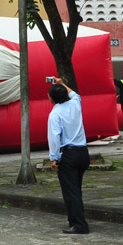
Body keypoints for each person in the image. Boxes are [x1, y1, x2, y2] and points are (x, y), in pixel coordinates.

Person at [47, 81, 90, 234]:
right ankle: (76, 220)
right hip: (82, 152)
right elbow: (75, 94)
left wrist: (54, 157)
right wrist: (62, 83)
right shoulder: (75, 105)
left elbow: (54, 138)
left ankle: (79, 224)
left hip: (68, 154)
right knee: (76, 189)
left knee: (71, 191)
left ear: (51, 98)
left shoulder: (55, 114)